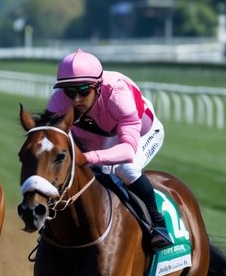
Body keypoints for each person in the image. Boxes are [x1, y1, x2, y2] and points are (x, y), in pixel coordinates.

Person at [48, 49, 174, 251]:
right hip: (101, 138)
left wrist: (88, 157)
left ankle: (158, 224)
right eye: (70, 92)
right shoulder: (58, 101)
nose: (77, 99)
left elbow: (128, 150)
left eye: (84, 91)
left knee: (125, 169)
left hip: (142, 134)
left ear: (98, 86)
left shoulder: (117, 93)